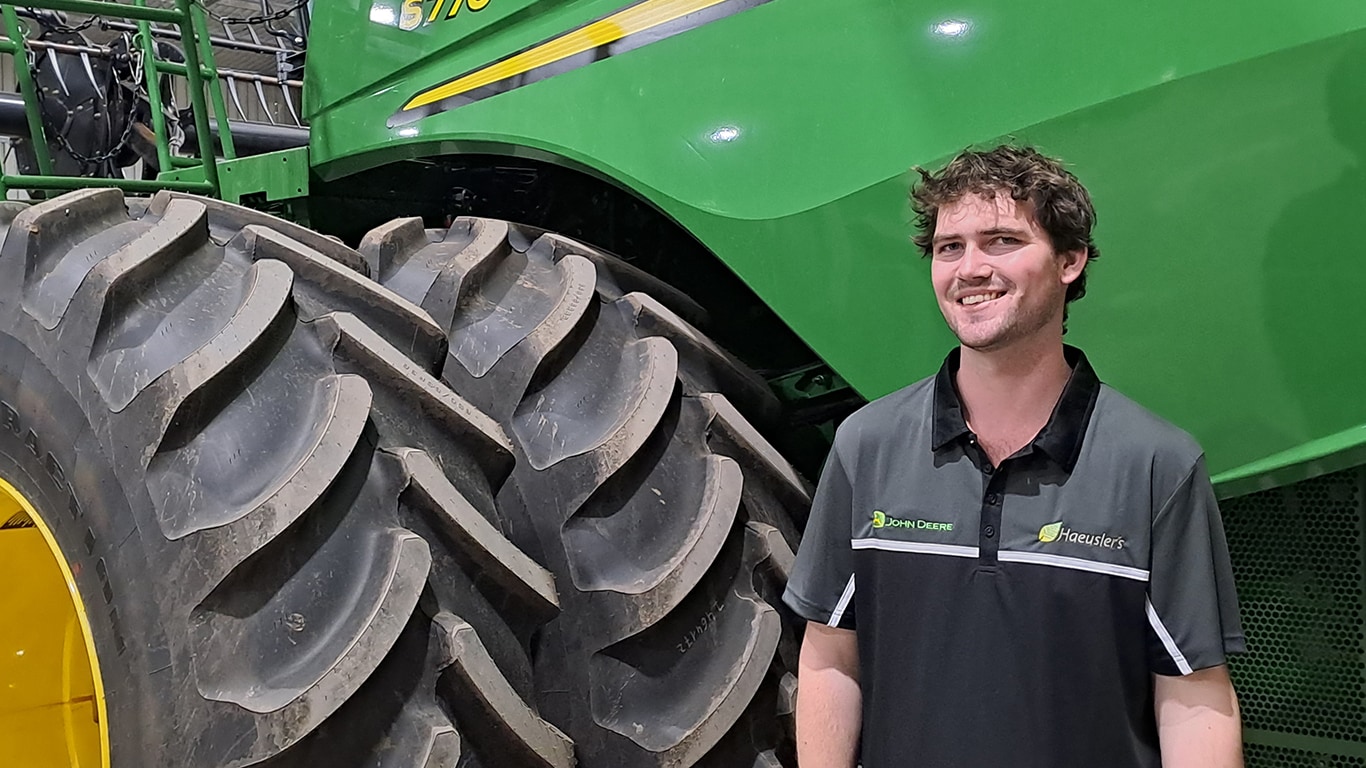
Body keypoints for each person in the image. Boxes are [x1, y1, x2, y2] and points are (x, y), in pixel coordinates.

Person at [782, 145, 1246, 768]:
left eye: (1001, 240)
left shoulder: (1157, 464)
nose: (969, 268)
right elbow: (831, 657)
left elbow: (1192, 696)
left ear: (1070, 261)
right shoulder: (867, 444)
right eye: (950, 247)